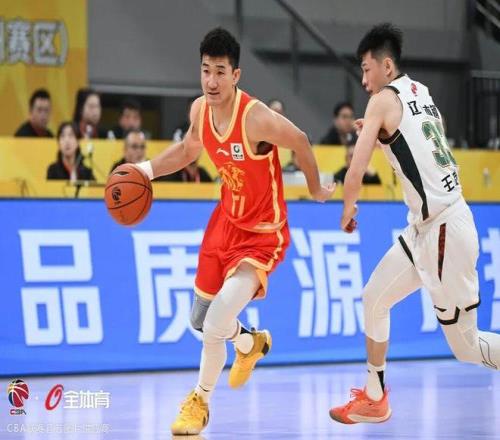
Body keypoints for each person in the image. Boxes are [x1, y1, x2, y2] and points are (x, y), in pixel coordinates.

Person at [134, 27, 334, 435]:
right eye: (205, 70)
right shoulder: (199, 111)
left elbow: (300, 140)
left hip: (262, 234)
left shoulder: (255, 117)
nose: (211, 81)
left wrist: (315, 189)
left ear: (236, 75)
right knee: (199, 321)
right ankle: (249, 343)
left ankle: (199, 402)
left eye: (220, 72)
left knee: (215, 322)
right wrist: (145, 170)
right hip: (224, 224)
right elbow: (188, 150)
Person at [330, 22, 500, 425]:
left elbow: (355, 170)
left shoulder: (381, 101)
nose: (364, 80)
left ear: (386, 66)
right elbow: (423, 140)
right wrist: (378, 131)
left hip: (445, 229)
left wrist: (348, 208)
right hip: (426, 227)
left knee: (466, 347)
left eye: (367, 69)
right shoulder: (420, 92)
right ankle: (375, 397)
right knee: (374, 297)